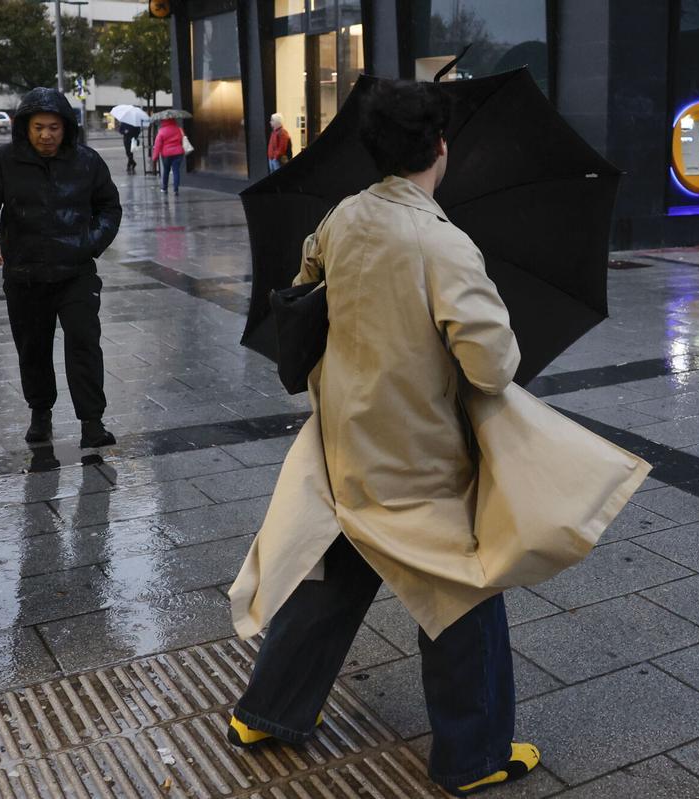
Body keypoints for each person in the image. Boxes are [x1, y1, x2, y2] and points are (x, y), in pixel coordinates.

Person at [225, 80, 541, 797]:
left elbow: (306, 288)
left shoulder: (342, 218)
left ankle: (266, 712)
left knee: (331, 575)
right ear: (439, 147)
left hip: (344, 441)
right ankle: (476, 752)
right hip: (418, 456)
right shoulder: (441, 241)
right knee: (465, 593)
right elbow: (492, 364)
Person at [0, 87, 123, 449]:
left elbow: (109, 208)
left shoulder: (87, 162)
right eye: (38, 127)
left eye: (53, 127)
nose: (46, 135)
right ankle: (40, 413)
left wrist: (90, 243)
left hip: (76, 274)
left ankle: (92, 422)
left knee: (84, 344)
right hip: (25, 276)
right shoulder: (4, 162)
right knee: (32, 349)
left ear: (65, 128)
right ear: (25, 128)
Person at [151, 118, 184, 194]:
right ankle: (176, 189)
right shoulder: (178, 129)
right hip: (178, 153)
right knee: (176, 171)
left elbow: (157, 145)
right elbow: (181, 139)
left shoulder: (161, 131)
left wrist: (154, 157)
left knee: (166, 171)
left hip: (166, 154)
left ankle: (164, 188)